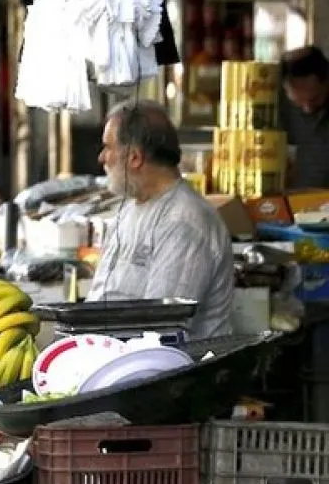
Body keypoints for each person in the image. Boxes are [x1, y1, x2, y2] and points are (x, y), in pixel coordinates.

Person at [87, 100, 234, 341]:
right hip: (113, 355)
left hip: (167, 369)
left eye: (108, 147)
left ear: (134, 158)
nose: (102, 157)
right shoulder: (130, 207)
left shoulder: (184, 222)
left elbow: (161, 329)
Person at [280, 45, 329, 188]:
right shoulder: (279, 106)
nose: (307, 109)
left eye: (314, 99)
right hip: (296, 201)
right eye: (298, 102)